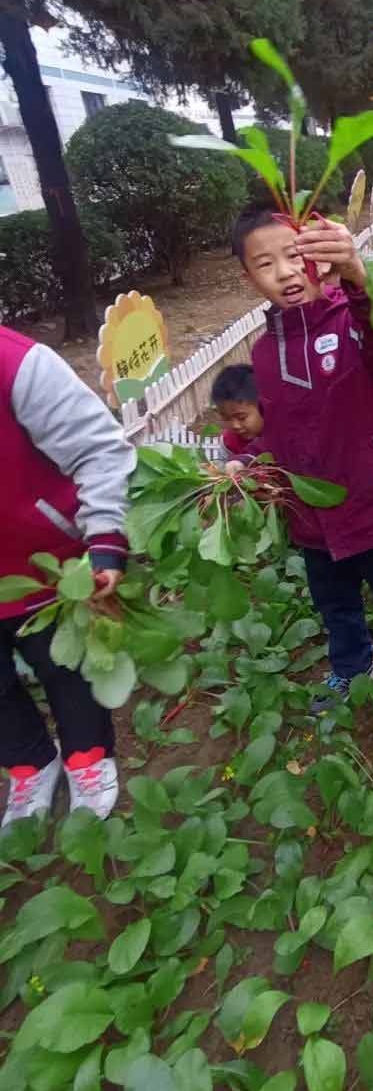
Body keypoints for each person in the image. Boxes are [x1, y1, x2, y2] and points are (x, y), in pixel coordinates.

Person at [234, 207, 373, 718]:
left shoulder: (355, 322)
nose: (284, 272)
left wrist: (358, 273)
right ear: (249, 277)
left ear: (319, 258)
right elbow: (271, 428)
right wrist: (253, 467)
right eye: (265, 264)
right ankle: (352, 666)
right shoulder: (263, 354)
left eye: (294, 255)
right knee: (335, 604)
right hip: (310, 517)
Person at [1, 325, 135, 825]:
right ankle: (29, 765)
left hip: (47, 571)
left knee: (70, 672)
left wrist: (104, 541)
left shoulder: (15, 364)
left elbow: (98, 451)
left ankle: (85, 759)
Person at [211, 364, 264, 457]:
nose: (235, 426)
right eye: (226, 418)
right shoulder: (228, 444)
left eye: (241, 417)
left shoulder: (282, 435)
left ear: (262, 406)